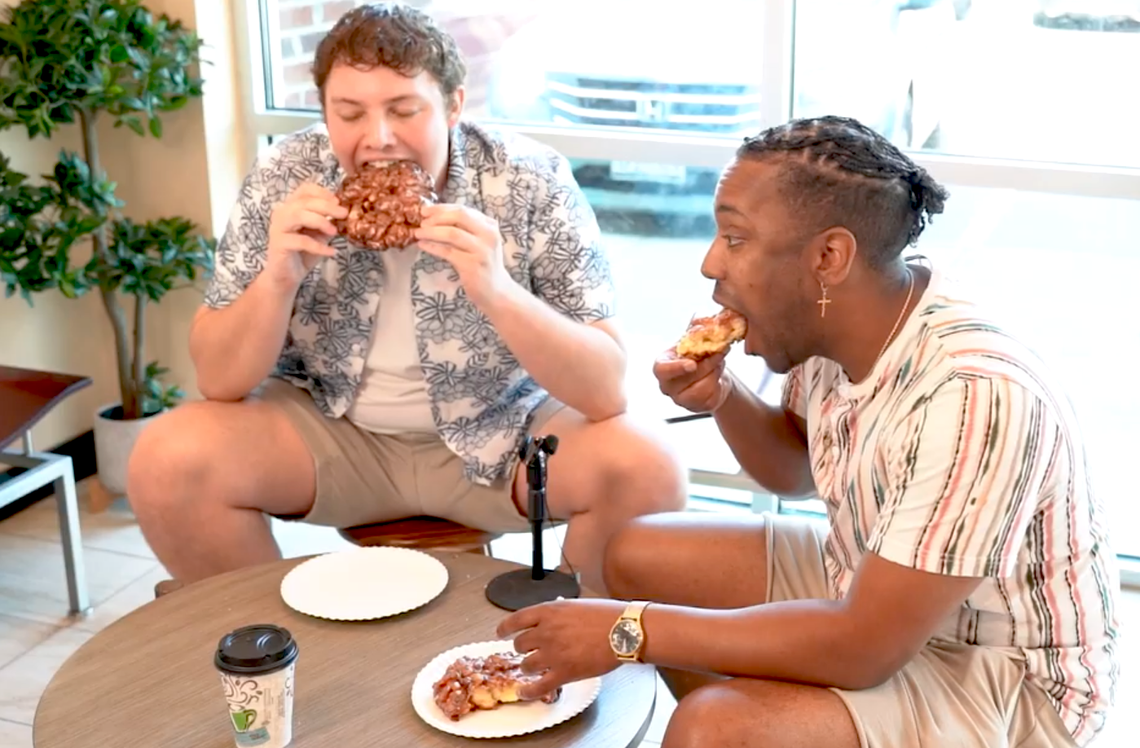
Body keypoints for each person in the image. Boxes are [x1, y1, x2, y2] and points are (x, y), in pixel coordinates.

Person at [496, 116, 1121, 748]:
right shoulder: (842, 317)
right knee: (635, 554)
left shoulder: (976, 395)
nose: (711, 261)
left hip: (1005, 674)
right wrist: (721, 393)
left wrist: (629, 630)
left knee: (712, 728)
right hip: (868, 576)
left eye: (735, 238)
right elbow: (792, 470)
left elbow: (864, 647)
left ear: (828, 256)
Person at [126, 2, 687, 595]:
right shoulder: (284, 176)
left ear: (453, 105)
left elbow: (606, 390)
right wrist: (277, 278)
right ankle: (274, 649)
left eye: (403, 110)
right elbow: (219, 380)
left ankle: (573, 646)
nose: (378, 138)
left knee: (649, 465)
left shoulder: (529, 178)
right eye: (349, 113)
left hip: (504, 433)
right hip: (331, 433)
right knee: (167, 459)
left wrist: (497, 291)